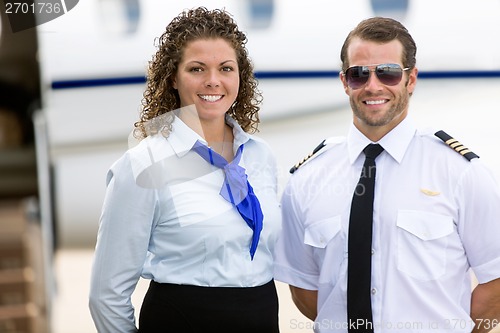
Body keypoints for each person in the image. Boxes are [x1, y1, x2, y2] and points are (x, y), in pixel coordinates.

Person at [274, 16, 500, 333]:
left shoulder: (461, 173)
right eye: (359, 74)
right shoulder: (306, 179)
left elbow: (496, 282)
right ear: (343, 81)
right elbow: (304, 287)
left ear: (411, 79)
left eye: (388, 73)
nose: (373, 85)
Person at [89, 7, 281, 333]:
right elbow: (105, 295)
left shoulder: (261, 156)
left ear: (240, 77)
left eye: (226, 68)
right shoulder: (142, 166)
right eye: (197, 68)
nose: (213, 81)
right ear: (173, 78)